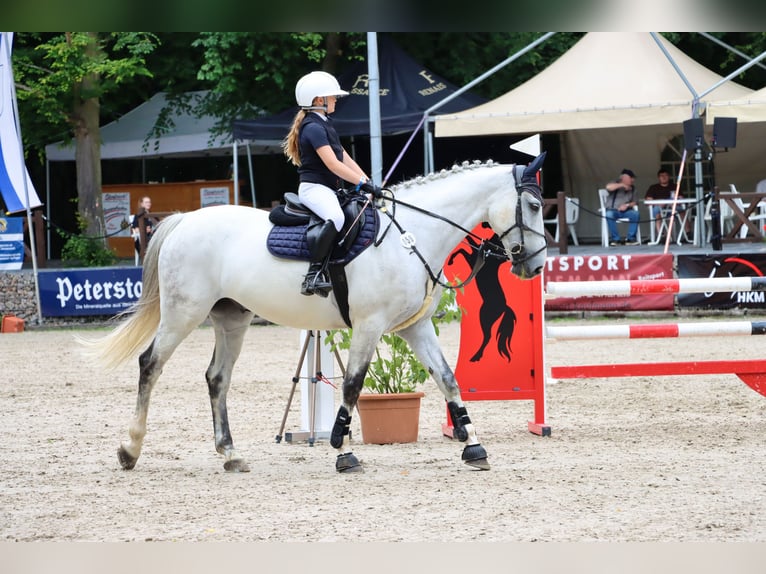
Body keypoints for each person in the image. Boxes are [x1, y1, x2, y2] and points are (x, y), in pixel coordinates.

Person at [282, 71, 380, 297]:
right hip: (314, 188)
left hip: (328, 189)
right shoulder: (313, 127)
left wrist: (368, 182)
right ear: (318, 101)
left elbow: (345, 157)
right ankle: (314, 274)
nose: (336, 100)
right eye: (332, 97)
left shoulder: (325, 124)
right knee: (336, 217)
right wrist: (362, 184)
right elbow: (333, 165)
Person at [644, 168, 690, 239]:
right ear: (658, 177)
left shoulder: (675, 186)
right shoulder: (653, 187)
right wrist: (660, 203)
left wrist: (676, 198)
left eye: (666, 175)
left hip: (673, 209)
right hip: (659, 208)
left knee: (682, 211)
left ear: (669, 177)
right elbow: (648, 200)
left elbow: (681, 198)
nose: (664, 177)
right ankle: (662, 236)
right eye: (661, 176)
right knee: (657, 212)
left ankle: (688, 233)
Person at [604, 168, 640, 246]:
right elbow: (608, 187)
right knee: (609, 215)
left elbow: (635, 202)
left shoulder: (633, 189)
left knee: (635, 214)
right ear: (624, 178)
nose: (633, 180)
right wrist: (622, 185)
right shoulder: (615, 183)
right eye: (631, 178)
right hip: (613, 210)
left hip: (626, 211)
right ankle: (616, 239)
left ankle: (630, 239)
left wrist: (627, 205)